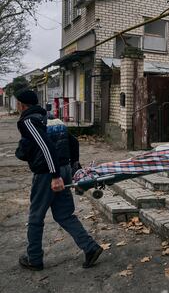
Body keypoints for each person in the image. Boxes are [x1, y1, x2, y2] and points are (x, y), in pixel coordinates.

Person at [15, 88, 103, 271]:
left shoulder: (28, 120)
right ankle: (90, 248)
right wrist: (74, 166)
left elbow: (46, 147)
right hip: (63, 170)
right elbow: (74, 142)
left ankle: (34, 259)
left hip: (48, 174)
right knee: (64, 214)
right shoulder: (52, 117)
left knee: (35, 217)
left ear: (22, 105)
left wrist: (54, 176)